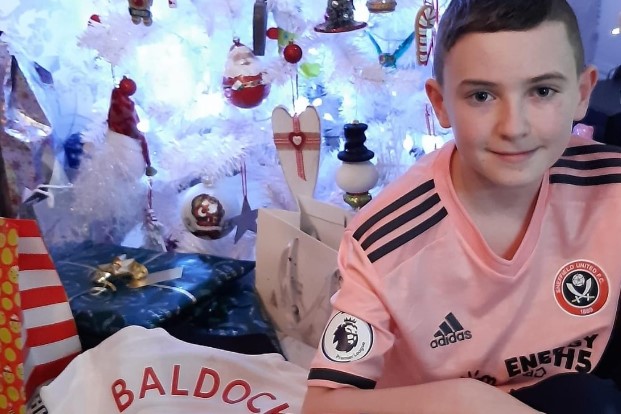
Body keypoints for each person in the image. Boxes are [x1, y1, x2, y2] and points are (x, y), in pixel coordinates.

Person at [300, 0, 621, 412]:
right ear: (440, 103)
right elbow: (322, 405)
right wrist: (465, 398)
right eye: (482, 96)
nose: (514, 127)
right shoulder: (384, 243)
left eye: (542, 91)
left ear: (582, 93)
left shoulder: (610, 184)